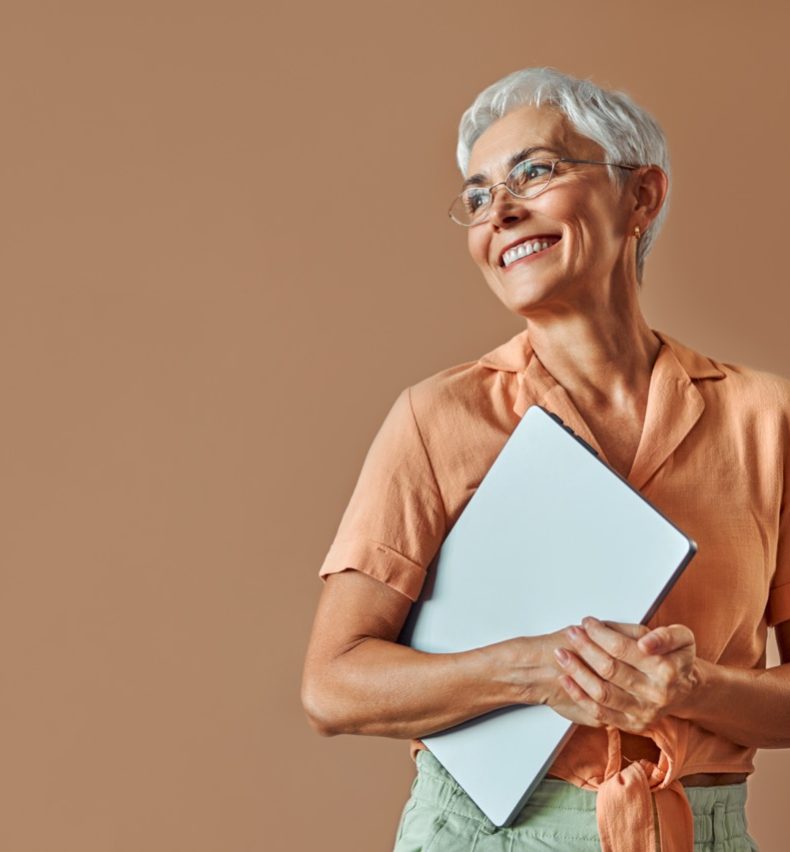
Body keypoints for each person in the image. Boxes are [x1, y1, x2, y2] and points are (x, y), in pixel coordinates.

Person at [301, 67, 790, 852]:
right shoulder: (438, 418)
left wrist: (694, 686)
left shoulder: (767, 419)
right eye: (477, 194)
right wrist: (532, 669)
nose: (500, 209)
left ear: (643, 196)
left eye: (536, 170)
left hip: (699, 833)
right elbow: (332, 685)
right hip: (483, 833)